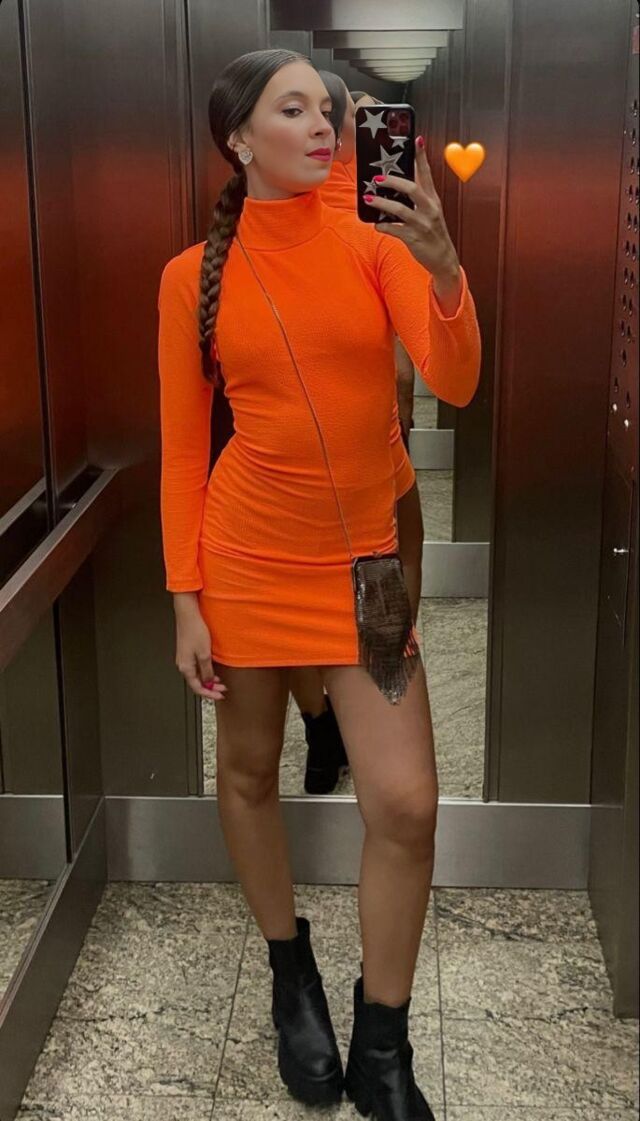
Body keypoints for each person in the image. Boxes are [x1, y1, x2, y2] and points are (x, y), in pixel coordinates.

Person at [158, 48, 480, 1120]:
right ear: (239, 139)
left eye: (327, 110)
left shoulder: (373, 246)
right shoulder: (188, 277)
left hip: (369, 570)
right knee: (250, 770)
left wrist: (443, 267)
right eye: (292, 109)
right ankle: (288, 969)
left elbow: (456, 380)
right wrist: (185, 596)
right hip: (245, 562)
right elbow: (182, 450)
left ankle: (382, 1041)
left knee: (407, 802)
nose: (322, 125)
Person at [289, 75, 426, 795]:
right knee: (394, 549)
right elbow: (402, 333)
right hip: (363, 425)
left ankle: (321, 727)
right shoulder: (378, 199)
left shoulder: (283, 195)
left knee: (296, 585)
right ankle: (376, 691)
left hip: (291, 428)